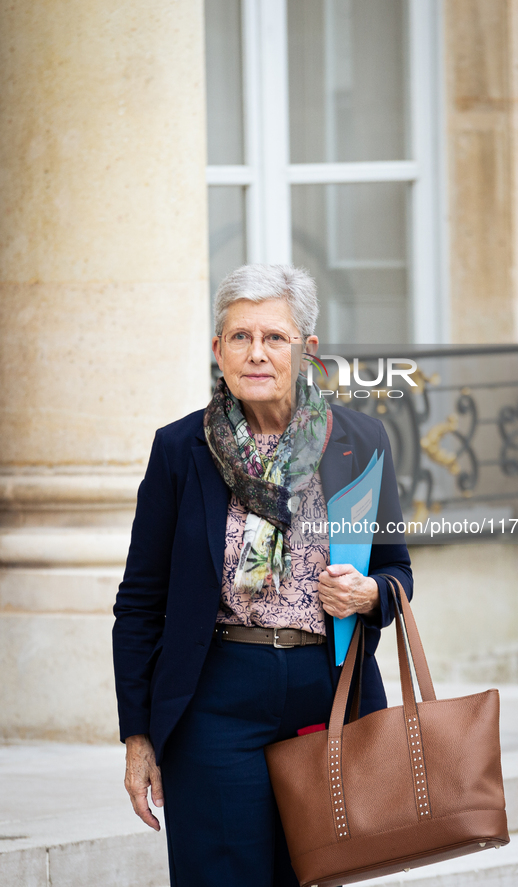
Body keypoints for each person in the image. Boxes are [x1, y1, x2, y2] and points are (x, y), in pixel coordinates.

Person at [112, 263, 413, 887]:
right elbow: (140, 602)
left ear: (307, 350)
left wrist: (368, 595)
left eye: (274, 337)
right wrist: (138, 735)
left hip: (325, 693)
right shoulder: (179, 449)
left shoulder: (359, 438)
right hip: (216, 695)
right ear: (218, 350)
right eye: (239, 337)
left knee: (316, 876)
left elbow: (395, 571)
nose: (256, 354)